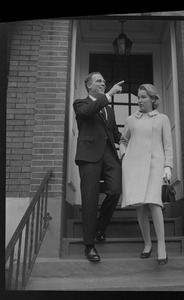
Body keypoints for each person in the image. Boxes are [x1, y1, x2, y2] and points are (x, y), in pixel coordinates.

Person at [119, 84, 173, 265]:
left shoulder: (162, 119)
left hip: (155, 165)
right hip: (134, 165)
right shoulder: (131, 119)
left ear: (152, 99)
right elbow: (123, 140)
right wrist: (124, 155)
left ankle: (162, 246)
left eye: (143, 97)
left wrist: (168, 167)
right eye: (138, 97)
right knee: (140, 206)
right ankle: (148, 244)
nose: (139, 101)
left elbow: (168, 146)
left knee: (155, 203)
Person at [73, 72, 124, 262]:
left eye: (104, 81)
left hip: (110, 155)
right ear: (88, 85)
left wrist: (133, 134)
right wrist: (109, 95)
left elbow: (115, 134)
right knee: (90, 198)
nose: (103, 83)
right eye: (98, 81)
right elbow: (87, 112)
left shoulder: (109, 110)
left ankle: (100, 227)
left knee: (115, 190)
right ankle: (89, 246)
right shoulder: (80, 103)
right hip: (89, 156)